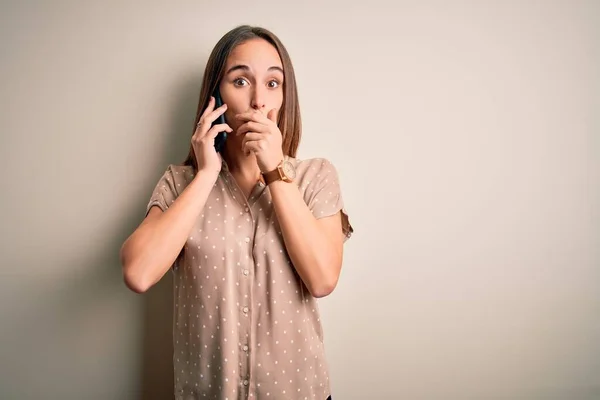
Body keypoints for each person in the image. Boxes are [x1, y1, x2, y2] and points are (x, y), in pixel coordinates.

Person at [120, 25, 353, 400]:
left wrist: (275, 168)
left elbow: (323, 279)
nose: (259, 100)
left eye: (273, 83)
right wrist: (207, 172)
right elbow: (138, 273)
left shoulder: (315, 177)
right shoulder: (180, 183)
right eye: (241, 81)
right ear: (216, 94)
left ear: (284, 98)